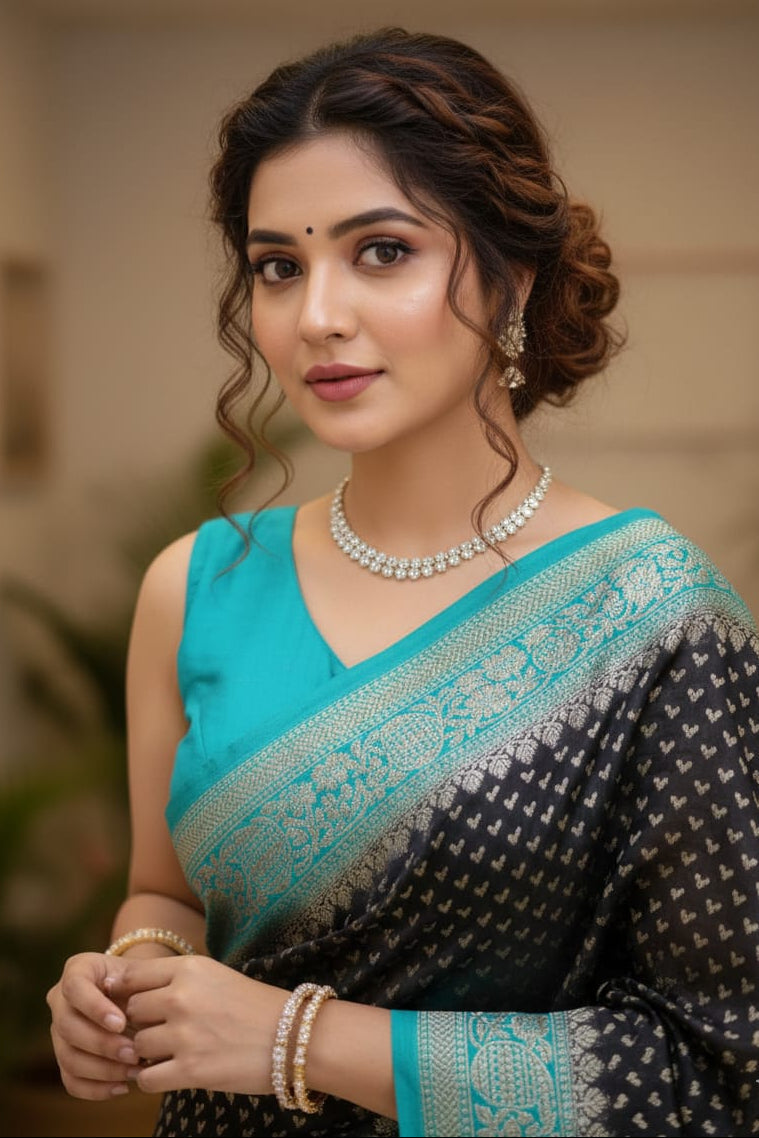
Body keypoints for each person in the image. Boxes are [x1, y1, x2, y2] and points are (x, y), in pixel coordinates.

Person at [46, 25, 759, 1138]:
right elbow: (167, 895)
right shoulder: (194, 586)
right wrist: (126, 978)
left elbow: (714, 1064)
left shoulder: (653, 613)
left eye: (382, 251)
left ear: (512, 274)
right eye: (279, 264)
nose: (316, 314)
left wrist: (294, 1039)